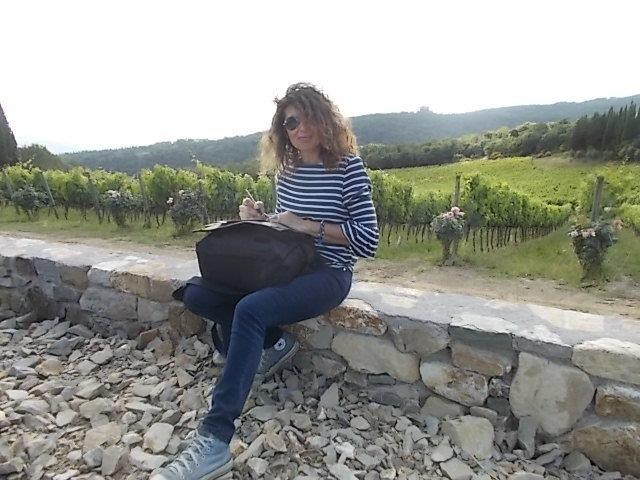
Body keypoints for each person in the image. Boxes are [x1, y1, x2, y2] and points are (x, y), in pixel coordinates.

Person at [151, 83, 379, 480]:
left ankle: (213, 441)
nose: (300, 128)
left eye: (307, 118)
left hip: (329, 273)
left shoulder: (348, 168)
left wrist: (308, 226)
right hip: (286, 268)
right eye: (290, 122)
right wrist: (261, 220)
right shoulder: (287, 173)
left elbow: (368, 240)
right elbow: (284, 229)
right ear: (282, 130)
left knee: (250, 309)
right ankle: (274, 343)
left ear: (325, 120)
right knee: (196, 293)